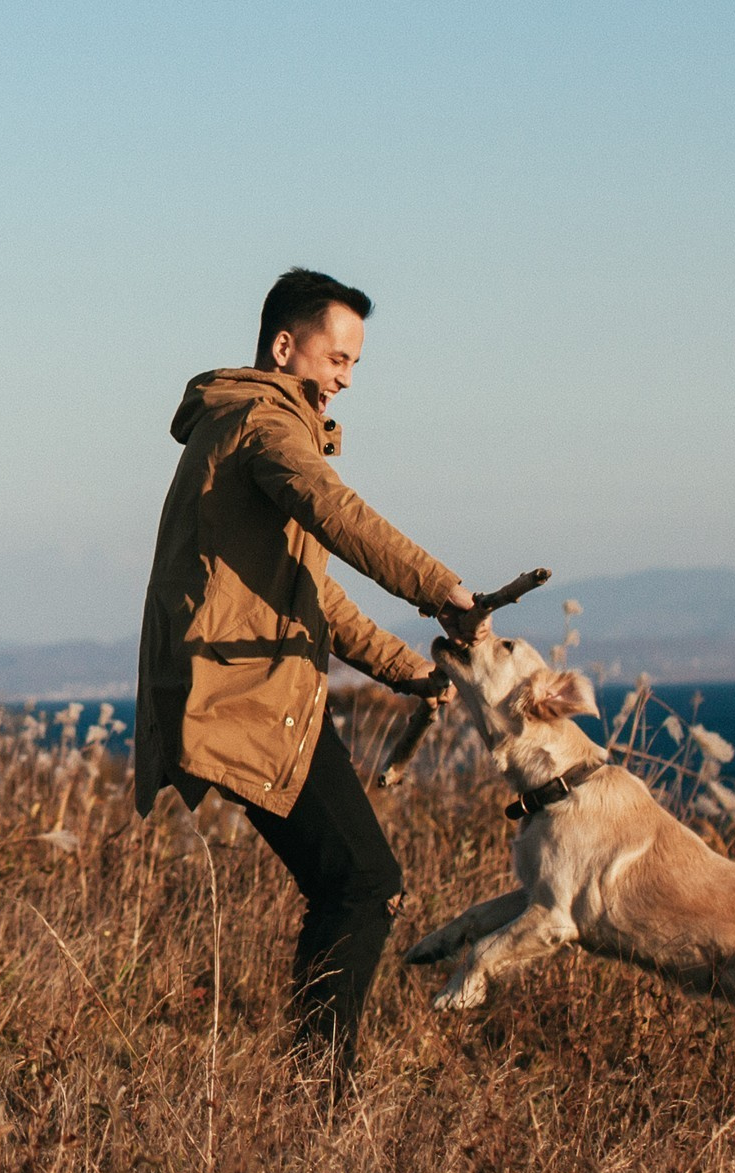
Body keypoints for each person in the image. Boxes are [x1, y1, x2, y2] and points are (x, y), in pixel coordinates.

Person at [133, 267, 478, 1084]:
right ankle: (316, 1093)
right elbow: (334, 510)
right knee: (363, 884)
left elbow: (312, 590)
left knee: (352, 884)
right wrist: (442, 590)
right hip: (243, 697)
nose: (346, 379)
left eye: (356, 365)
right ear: (286, 346)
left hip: (258, 693)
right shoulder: (263, 424)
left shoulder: (246, 429)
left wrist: (408, 671)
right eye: (338, 357)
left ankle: (313, 1083)